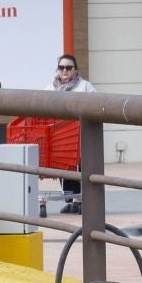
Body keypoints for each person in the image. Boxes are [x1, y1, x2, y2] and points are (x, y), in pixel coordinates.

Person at [51, 54, 93, 213]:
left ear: (75, 70)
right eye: (61, 67)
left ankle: (81, 199)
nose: (65, 71)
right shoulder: (51, 87)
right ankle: (71, 199)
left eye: (69, 67)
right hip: (59, 135)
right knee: (64, 166)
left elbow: (96, 105)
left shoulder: (85, 86)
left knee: (80, 166)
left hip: (79, 133)